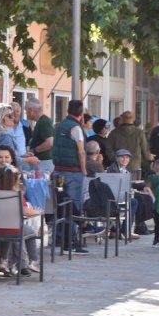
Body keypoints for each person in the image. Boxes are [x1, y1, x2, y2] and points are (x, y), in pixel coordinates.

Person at [51, 100, 89, 254]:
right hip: (73, 173)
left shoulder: (59, 125)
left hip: (59, 173)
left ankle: (59, 238)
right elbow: (81, 151)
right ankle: (72, 242)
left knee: (61, 204)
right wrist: (84, 169)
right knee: (73, 206)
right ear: (81, 113)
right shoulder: (76, 128)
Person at [0, 166, 41, 277]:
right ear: (16, 180)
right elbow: (25, 212)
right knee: (31, 232)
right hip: (14, 229)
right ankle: (33, 261)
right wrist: (37, 212)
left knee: (6, 232)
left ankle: (3, 260)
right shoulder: (16, 195)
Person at [108, 111, 153, 178]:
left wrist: (115, 159)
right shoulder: (139, 132)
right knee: (134, 186)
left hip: (118, 165)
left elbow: (108, 149)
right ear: (133, 119)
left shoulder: (114, 133)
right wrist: (150, 158)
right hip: (135, 164)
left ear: (122, 119)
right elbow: (144, 148)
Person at [25, 99, 55, 175]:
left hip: (43, 163)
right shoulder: (41, 121)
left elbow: (50, 142)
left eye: (26, 111)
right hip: (42, 162)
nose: (26, 113)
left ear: (31, 110)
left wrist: (34, 150)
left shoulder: (44, 122)